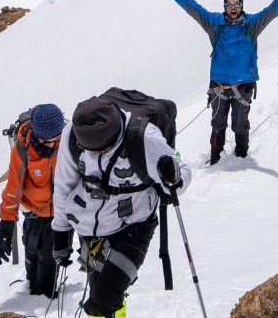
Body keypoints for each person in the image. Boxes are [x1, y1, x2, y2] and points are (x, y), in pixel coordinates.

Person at [54, 90, 192, 318]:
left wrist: (175, 177)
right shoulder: (72, 134)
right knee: (102, 288)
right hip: (89, 225)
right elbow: (63, 185)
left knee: (103, 298)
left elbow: (182, 173)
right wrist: (61, 232)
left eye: (100, 150)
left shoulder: (143, 138)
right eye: (88, 149)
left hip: (134, 225)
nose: (92, 154)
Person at [156, 0, 278, 164]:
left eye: (237, 4)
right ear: (224, 7)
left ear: (242, 6)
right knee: (217, 124)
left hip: (243, 85)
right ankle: (215, 158)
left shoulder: (252, 24)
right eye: (229, 4)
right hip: (219, 84)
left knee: (240, 124)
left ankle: (241, 156)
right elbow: (192, 7)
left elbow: (273, 10)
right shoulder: (214, 24)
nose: (233, 7)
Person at [0, 102, 66, 300]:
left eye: (55, 139)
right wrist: (5, 223)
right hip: (33, 209)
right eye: (46, 140)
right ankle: (32, 293)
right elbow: (13, 188)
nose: (51, 144)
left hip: (60, 212)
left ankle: (47, 297)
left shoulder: (69, 144)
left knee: (50, 254)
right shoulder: (23, 148)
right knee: (32, 249)